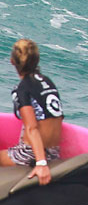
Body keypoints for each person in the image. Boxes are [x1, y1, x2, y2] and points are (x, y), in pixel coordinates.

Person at [2, 39, 64, 185]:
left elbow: (32, 127)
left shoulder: (22, 88)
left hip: (31, 155)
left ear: (12, 61)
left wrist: (41, 164)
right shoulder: (48, 82)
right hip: (54, 152)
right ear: (37, 60)